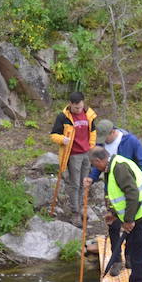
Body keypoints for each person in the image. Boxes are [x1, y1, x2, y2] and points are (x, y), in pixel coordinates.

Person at [89, 145, 142, 282]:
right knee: (135, 251)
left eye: (94, 165)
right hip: (139, 214)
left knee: (140, 254)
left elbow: (132, 194)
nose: (94, 168)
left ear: (99, 160)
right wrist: (114, 214)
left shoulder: (119, 167)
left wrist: (128, 220)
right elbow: (120, 195)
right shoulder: (112, 167)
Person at [83, 118, 142, 277]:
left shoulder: (131, 142)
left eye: (105, 137)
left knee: (131, 223)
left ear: (113, 132)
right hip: (112, 191)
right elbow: (98, 165)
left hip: (130, 191)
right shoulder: (102, 145)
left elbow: (141, 163)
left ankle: (130, 257)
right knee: (113, 225)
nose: (102, 141)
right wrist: (92, 177)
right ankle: (116, 260)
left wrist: (140, 186)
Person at [50, 91, 97, 220]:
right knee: (75, 184)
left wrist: (92, 148)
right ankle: (75, 212)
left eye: (81, 107)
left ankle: (81, 208)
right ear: (70, 104)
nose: (79, 109)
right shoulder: (63, 117)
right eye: (76, 107)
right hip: (73, 155)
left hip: (87, 153)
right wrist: (62, 139)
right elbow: (53, 135)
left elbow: (93, 132)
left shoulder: (89, 114)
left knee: (84, 183)